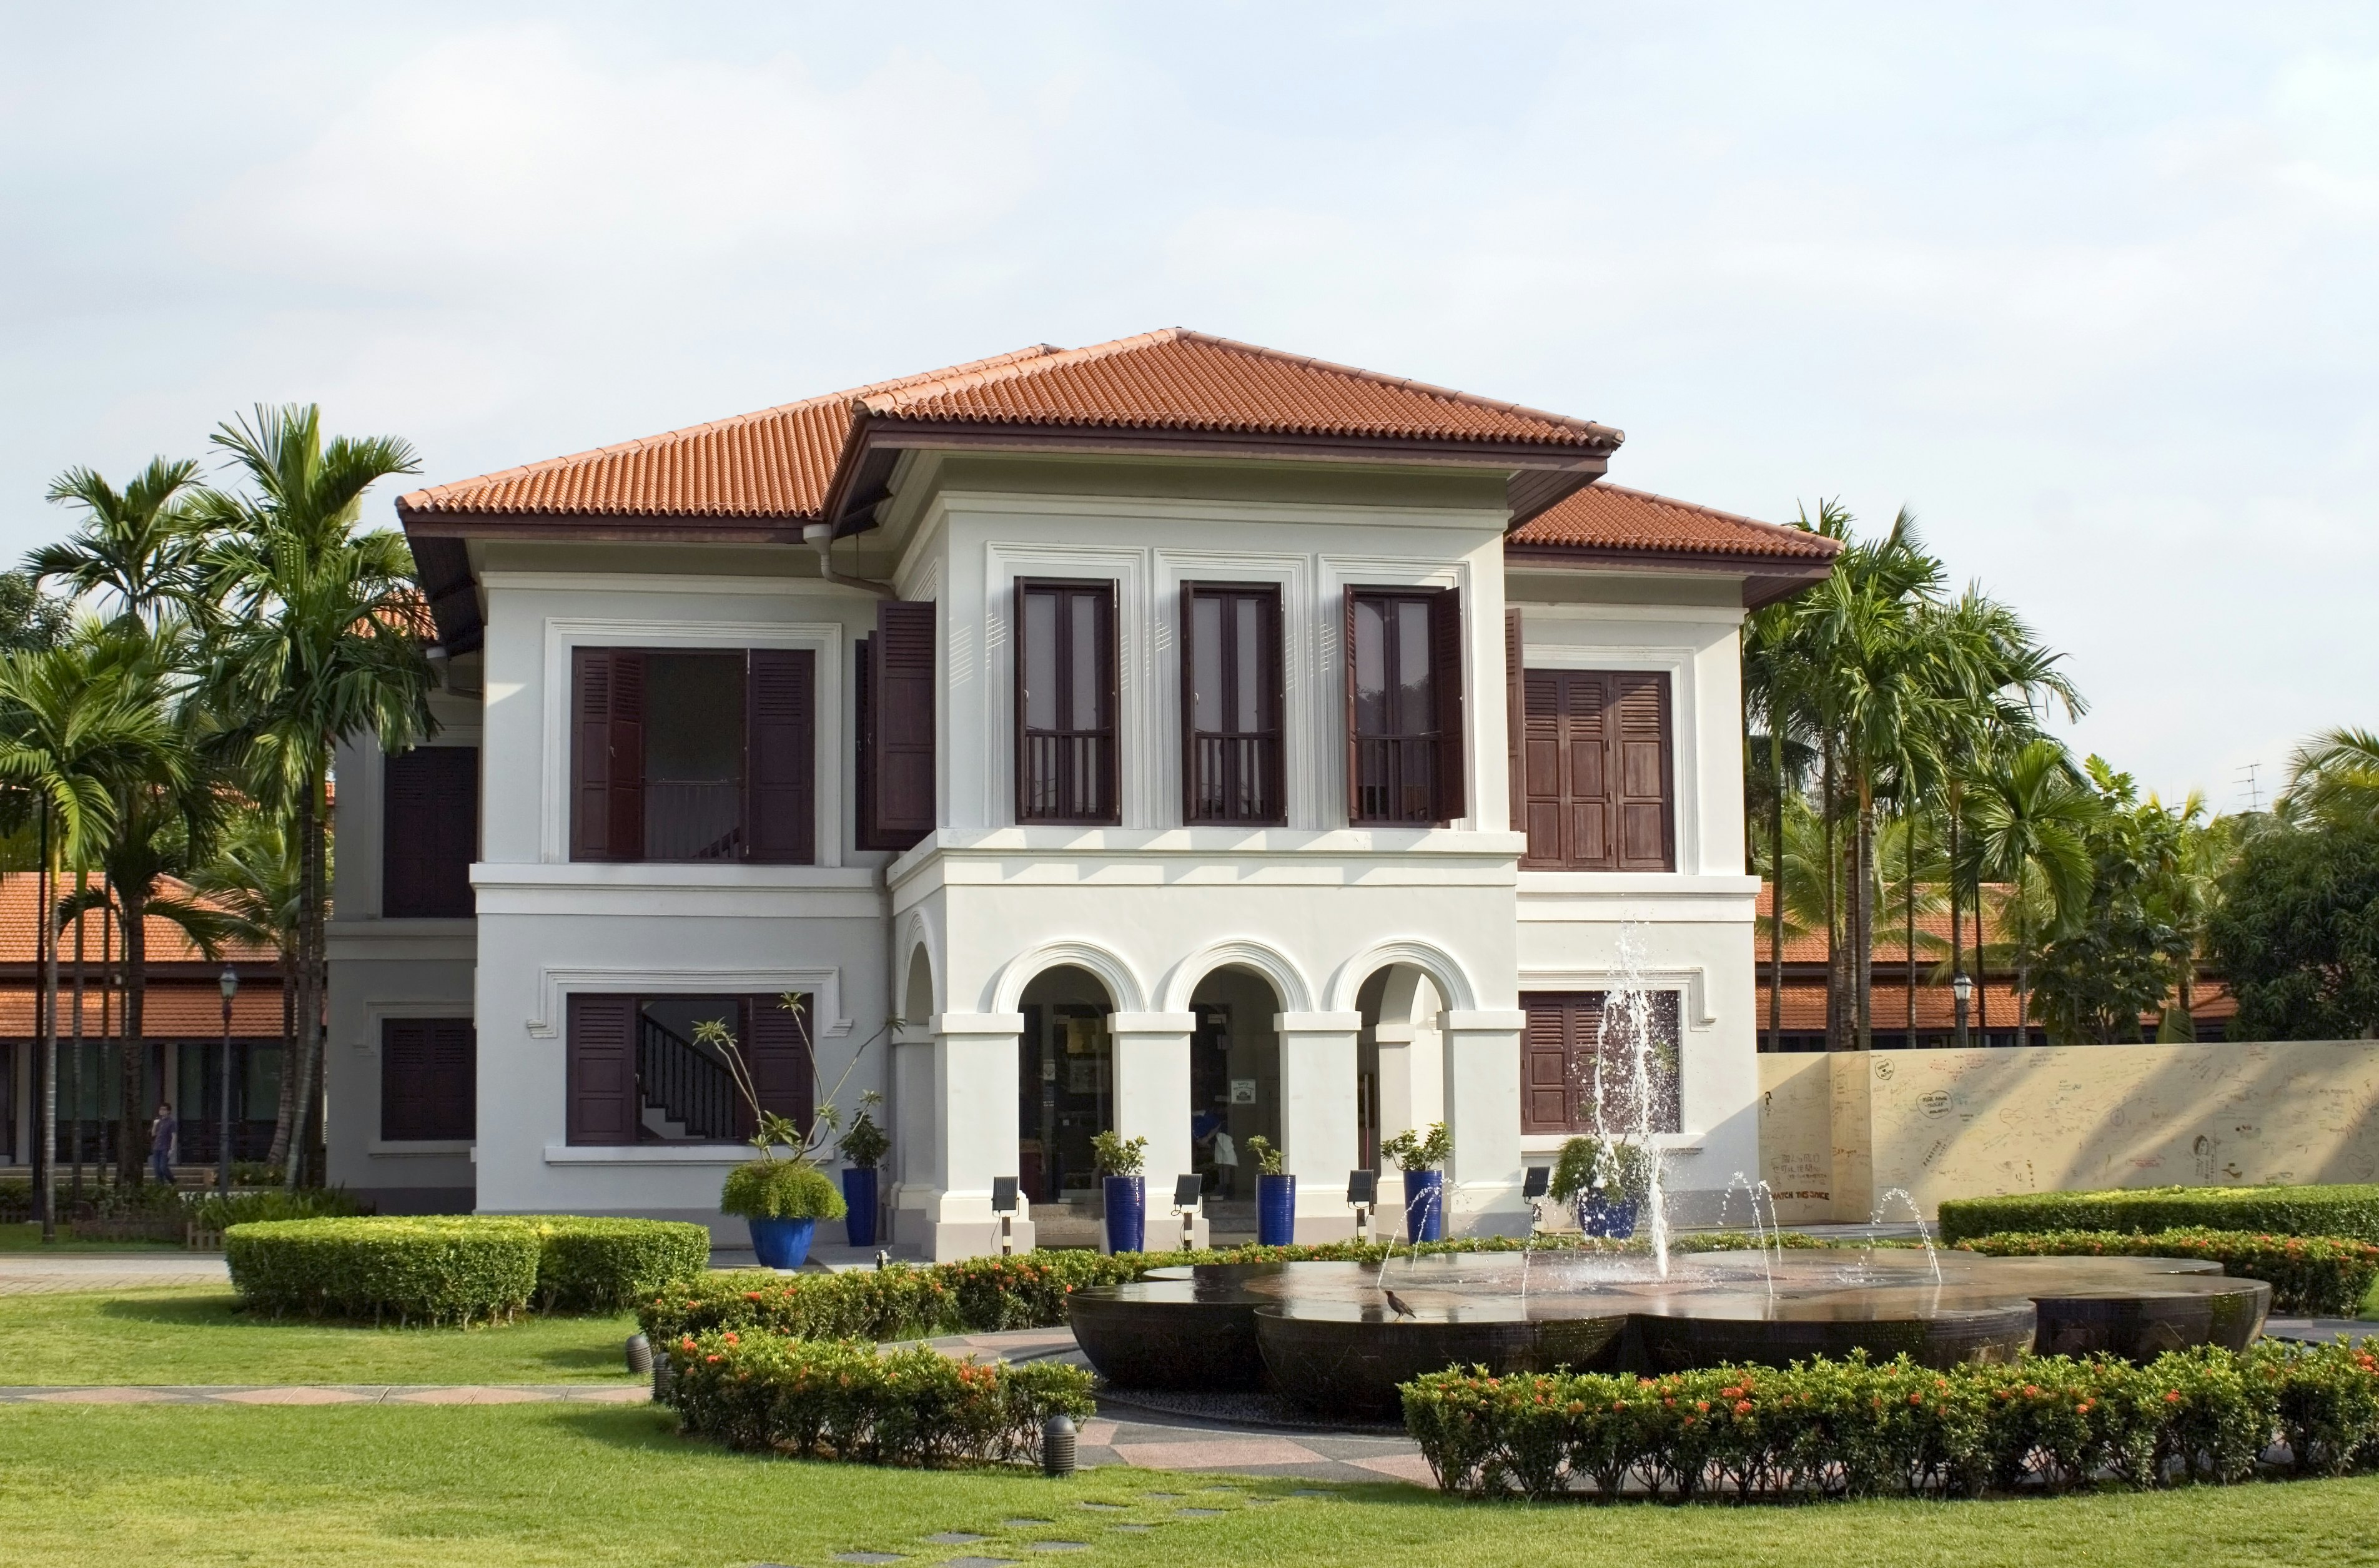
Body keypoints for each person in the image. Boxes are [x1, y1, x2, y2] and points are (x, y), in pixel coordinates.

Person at [149, 1103, 176, 1186]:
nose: (162, 1111)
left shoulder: (171, 1122)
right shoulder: (158, 1122)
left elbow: (174, 1135)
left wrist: (172, 1149)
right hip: (157, 1147)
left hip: (165, 1148)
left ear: (169, 1111)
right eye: (161, 1109)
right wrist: (155, 1124)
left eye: (164, 1110)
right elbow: (153, 1134)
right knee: (157, 1169)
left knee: (163, 1167)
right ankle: (161, 1187)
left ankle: (173, 1182)